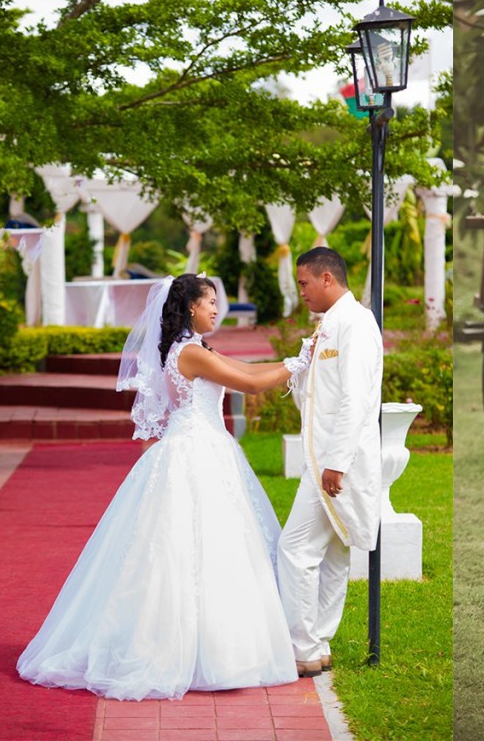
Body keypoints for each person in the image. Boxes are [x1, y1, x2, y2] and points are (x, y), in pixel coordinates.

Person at [18, 273, 313, 700]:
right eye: (210, 301)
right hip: (197, 452)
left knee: (203, 551)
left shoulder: (191, 348)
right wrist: (302, 360)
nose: (216, 308)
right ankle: (196, 652)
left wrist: (293, 359)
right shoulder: (191, 352)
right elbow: (248, 384)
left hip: (203, 448)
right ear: (190, 306)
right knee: (195, 551)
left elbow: (246, 369)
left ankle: (210, 648)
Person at [277, 248, 383, 677]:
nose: (300, 291)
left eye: (303, 283)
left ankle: (303, 646)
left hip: (336, 463)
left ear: (326, 278)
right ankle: (318, 644)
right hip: (321, 458)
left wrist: (336, 462)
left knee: (295, 549)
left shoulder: (354, 324)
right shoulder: (329, 325)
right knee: (333, 553)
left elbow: (355, 398)